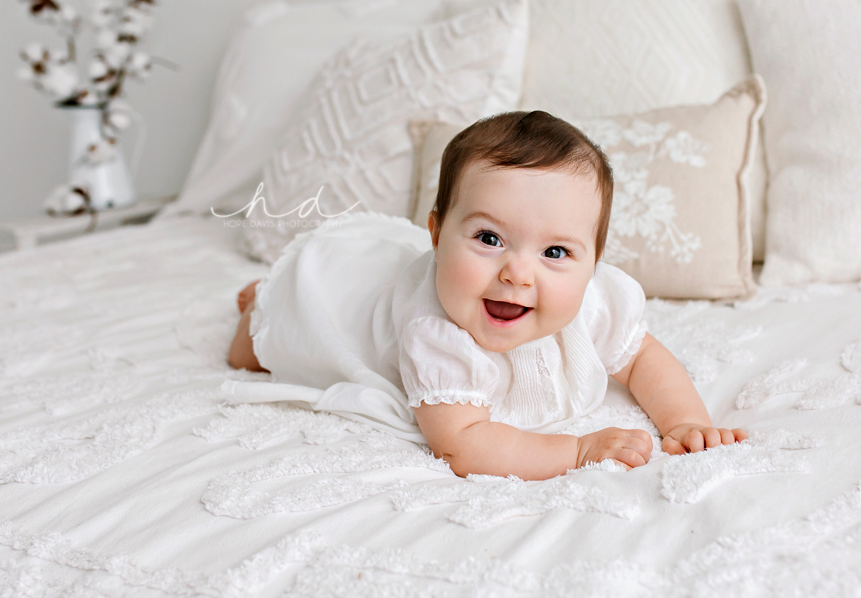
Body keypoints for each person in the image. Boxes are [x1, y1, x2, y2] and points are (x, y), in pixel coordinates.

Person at [227, 110, 746, 481]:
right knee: (258, 346)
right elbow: (463, 444)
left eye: (556, 252)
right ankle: (261, 298)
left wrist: (686, 421)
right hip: (343, 294)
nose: (517, 274)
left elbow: (643, 358)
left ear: (594, 262)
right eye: (489, 239)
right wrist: (577, 450)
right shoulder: (437, 333)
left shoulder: (593, 301)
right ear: (436, 234)